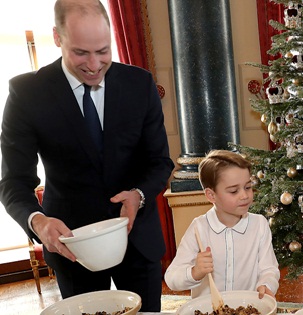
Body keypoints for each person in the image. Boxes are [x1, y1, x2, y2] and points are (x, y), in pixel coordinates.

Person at [0, 0, 174, 312]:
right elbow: (13, 182)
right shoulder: (27, 94)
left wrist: (139, 195)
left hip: (138, 242)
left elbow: (160, 162)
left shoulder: (139, 84)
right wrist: (38, 222)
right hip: (71, 248)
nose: (94, 64)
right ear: (57, 37)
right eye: (81, 52)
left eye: (103, 51)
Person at [164, 150, 280, 298]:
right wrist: (195, 272)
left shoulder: (259, 224)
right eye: (233, 191)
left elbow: (269, 269)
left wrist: (266, 284)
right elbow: (171, 278)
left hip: (247, 308)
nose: (244, 195)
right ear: (211, 195)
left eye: (248, 187)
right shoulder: (198, 228)